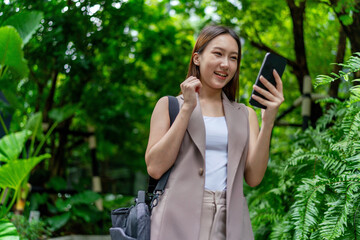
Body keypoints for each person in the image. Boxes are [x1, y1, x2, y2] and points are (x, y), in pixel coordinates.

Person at [145, 25, 284, 240]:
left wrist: (268, 122)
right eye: (218, 54)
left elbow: (254, 178)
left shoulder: (245, 115)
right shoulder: (169, 105)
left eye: (233, 58)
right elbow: (154, 167)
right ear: (197, 58)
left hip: (231, 222)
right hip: (175, 220)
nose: (225, 64)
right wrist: (187, 108)